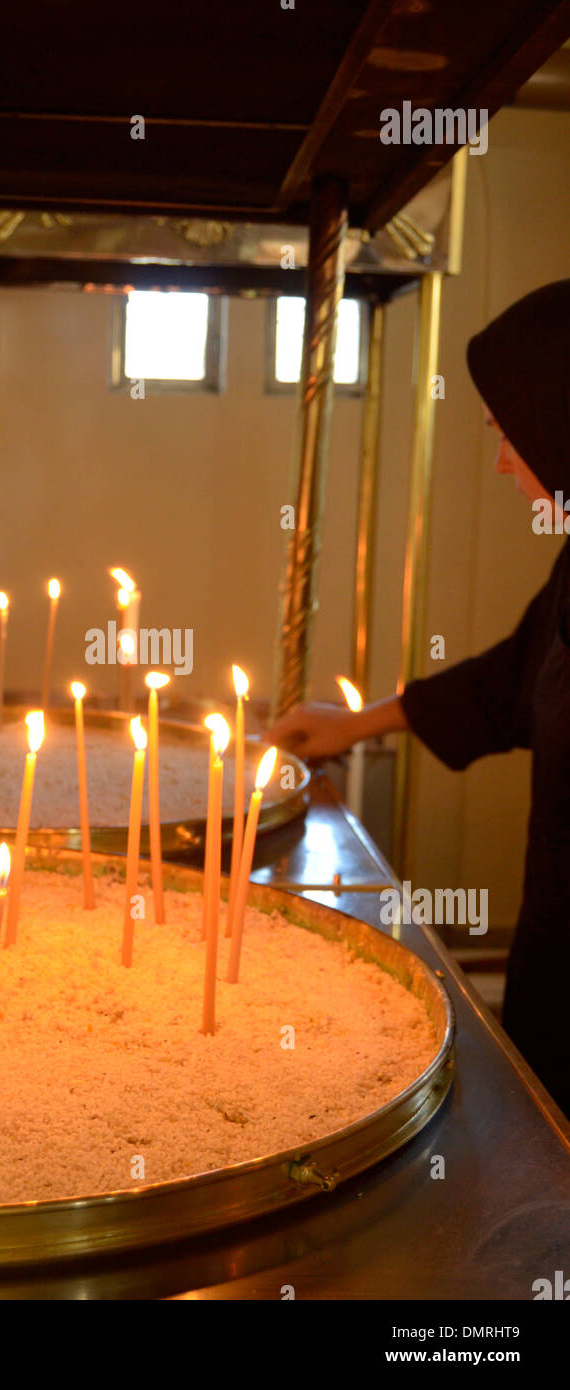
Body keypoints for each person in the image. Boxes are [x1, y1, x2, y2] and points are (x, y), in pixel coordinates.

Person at [268, 280, 570, 1116]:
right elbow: (509, 681)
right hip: (552, 955)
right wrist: (357, 723)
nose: (506, 461)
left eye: (510, 434)